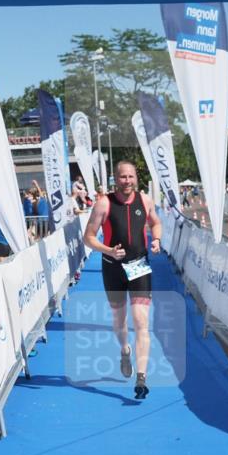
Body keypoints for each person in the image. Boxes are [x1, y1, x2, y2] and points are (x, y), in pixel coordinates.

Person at [83, 161, 163, 400]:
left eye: (130, 176)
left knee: (141, 321)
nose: (126, 181)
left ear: (135, 178)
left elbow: (155, 222)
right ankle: (124, 349)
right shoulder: (103, 204)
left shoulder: (145, 200)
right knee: (119, 320)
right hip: (113, 268)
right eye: (122, 177)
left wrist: (156, 239)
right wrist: (107, 250)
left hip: (139, 266)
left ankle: (141, 378)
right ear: (115, 179)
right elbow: (88, 237)